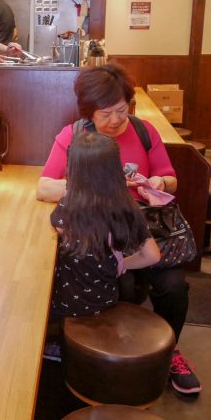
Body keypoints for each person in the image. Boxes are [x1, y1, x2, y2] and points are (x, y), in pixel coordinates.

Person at [36, 64, 202, 396]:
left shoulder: (144, 132)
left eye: (121, 111)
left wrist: (157, 181)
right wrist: (96, 188)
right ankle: (114, 358)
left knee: (174, 287)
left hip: (144, 226)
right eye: (105, 113)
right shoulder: (74, 136)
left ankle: (169, 352)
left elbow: (171, 179)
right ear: (88, 112)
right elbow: (44, 187)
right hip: (105, 236)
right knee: (118, 284)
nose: (114, 120)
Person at [49, 131, 161, 320]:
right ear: (116, 169)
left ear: (73, 170)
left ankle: (55, 344)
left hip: (64, 304)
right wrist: (121, 264)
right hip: (106, 301)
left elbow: (60, 229)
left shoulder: (66, 208)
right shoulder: (127, 209)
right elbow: (153, 256)